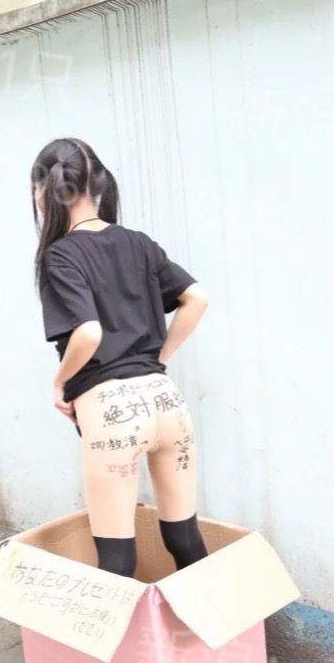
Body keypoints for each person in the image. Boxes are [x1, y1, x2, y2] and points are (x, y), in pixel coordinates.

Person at [30, 137, 210, 578]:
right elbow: (197, 299)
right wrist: (159, 357)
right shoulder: (138, 242)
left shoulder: (60, 255)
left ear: (44, 191)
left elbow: (88, 332)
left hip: (113, 413)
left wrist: (60, 382)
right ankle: (212, 622)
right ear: (98, 185)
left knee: (116, 557)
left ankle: (119, 630)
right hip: (166, 402)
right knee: (185, 538)